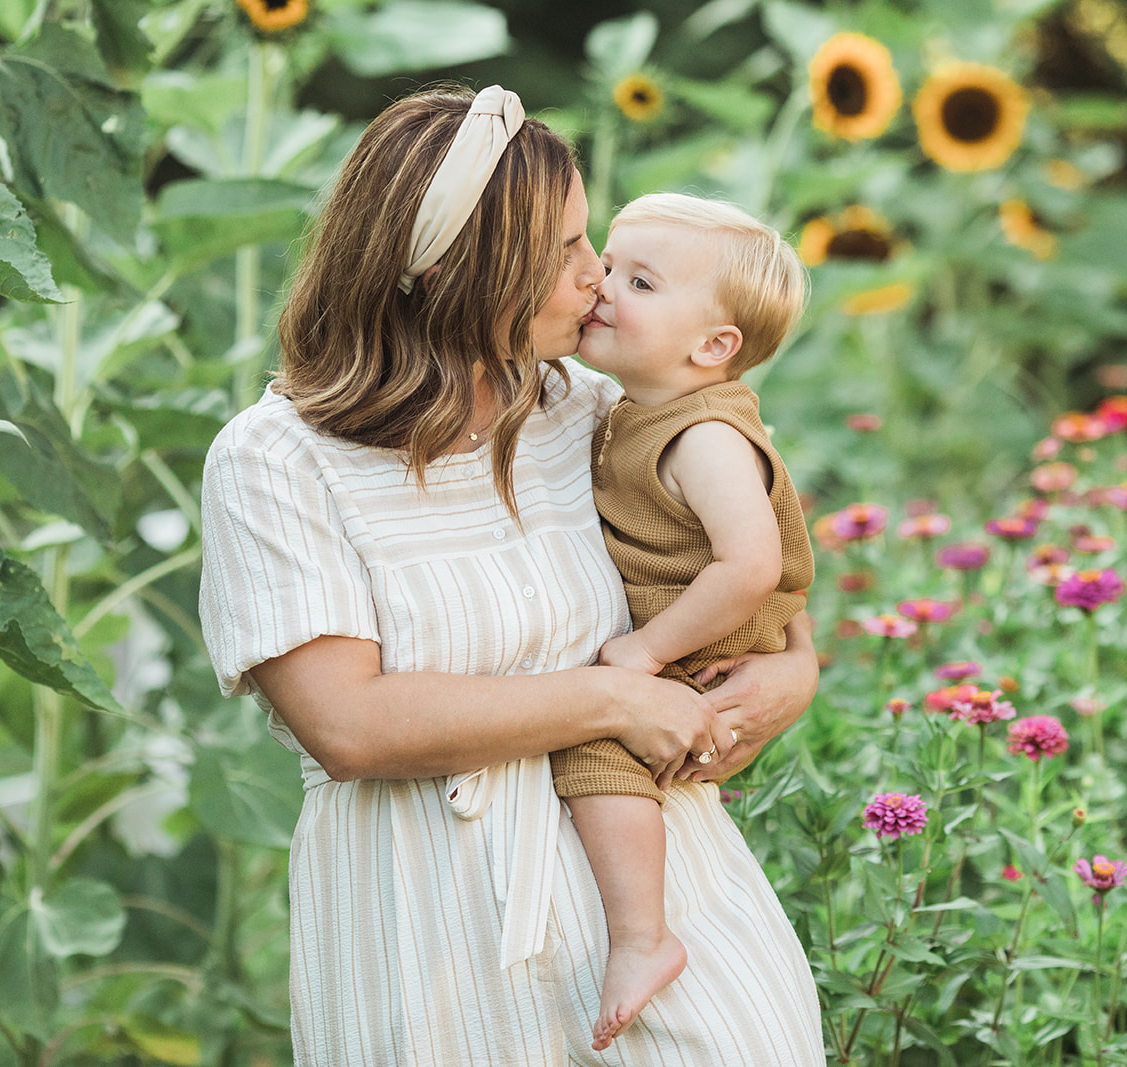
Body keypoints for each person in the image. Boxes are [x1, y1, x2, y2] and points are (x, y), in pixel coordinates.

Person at [197, 85, 825, 1066]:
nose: (596, 277)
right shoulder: (277, 461)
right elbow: (349, 724)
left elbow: (759, 572)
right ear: (455, 270)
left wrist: (794, 674)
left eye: (596, 245)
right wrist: (613, 697)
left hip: (674, 909)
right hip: (431, 932)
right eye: (567, 251)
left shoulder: (594, 407)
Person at [541, 192, 814, 1051]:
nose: (603, 286)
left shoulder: (704, 435)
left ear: (713, 346)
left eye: (641, 281)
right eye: (610, 265)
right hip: (702, 622)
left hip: (708, 630)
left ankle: (642, 936)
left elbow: (753, 565)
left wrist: (645, 650)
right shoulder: (638, 405)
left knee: (595, 743)